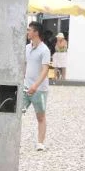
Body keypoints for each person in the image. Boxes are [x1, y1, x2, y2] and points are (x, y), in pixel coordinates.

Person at [23, 21, 51, 151]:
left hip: (40, 90)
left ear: (36, 32)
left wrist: (35, 85)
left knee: (40, 116)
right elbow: (24, 65)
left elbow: (45, 70)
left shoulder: (45, 50)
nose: (27, 32)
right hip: (25, 87)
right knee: (17, 113)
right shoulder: (27, 48)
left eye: (29, 30)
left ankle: (40, 143)